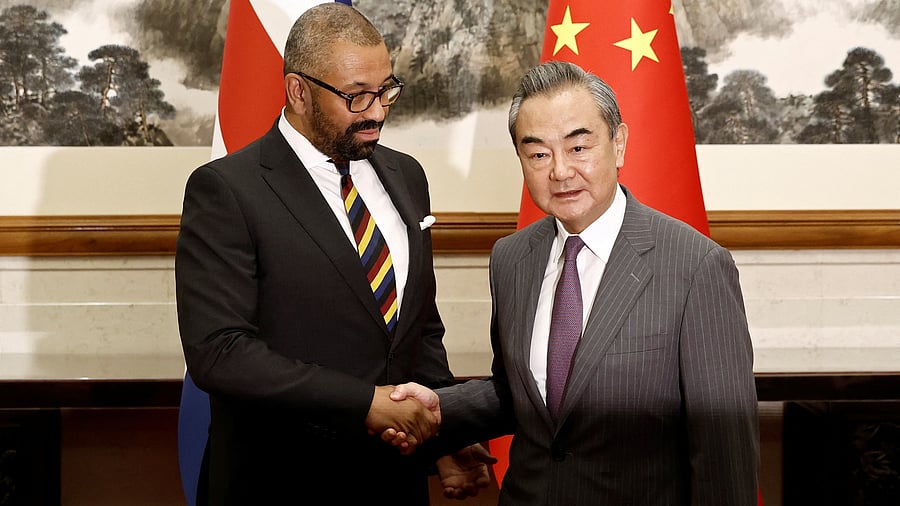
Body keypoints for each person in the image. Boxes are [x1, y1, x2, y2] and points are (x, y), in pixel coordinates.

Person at [387, 60, 760, 505]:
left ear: (618, 144)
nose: (560, 171)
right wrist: (434, 410)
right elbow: (520, 393)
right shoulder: (512, 258)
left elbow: (724, 453)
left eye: (579, 148)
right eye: (539, 154)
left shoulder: (696, 266)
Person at [175, 4, 489, 504]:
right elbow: (220, 352)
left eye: (386, 89)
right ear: (298, 91)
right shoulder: (227, 190)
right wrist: (365, 404)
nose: (378, 111)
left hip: (394, 482)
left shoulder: (407, 176)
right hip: (278, 482)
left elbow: (418, 326)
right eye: (356, 96)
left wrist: (443, 430)